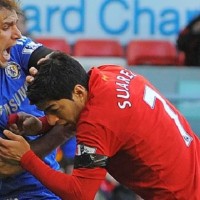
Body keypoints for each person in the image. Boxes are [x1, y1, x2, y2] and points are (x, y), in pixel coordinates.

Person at [0, 51, 200, 200]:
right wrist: (41, 125)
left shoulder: (96, 123)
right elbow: (103, 118)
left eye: (54, 109)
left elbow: (79, 193)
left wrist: (25, 157)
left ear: (78, 92)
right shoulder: (107, 73)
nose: (52, 119)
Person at [0, 1, 70, 199]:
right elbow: (4, 167)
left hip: (37, 189)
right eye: (6, 27)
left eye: (15, 24)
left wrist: (41, 127)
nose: (18, 34)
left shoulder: (19, 50)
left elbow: (69, 75)